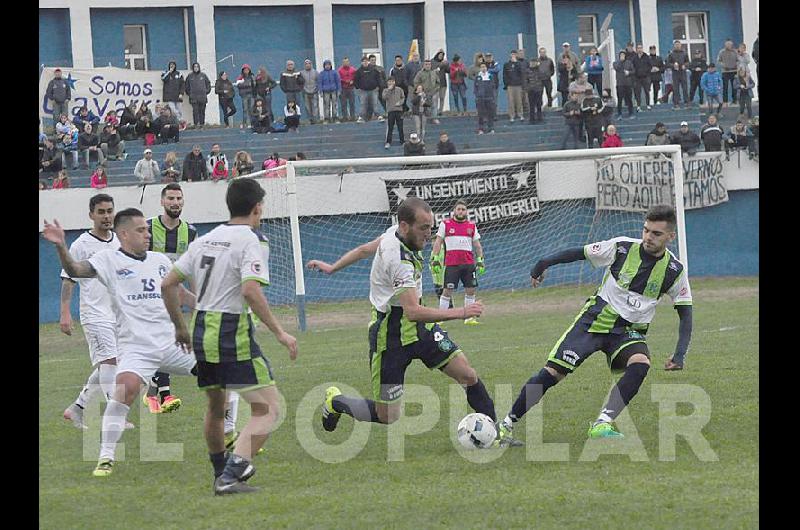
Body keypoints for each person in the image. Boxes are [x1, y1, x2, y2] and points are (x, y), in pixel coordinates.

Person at [495, 205, 693, 446]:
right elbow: (580, 253)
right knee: (554, 373)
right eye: (646, 230)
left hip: (628, 332)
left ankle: (603, 423)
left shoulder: (675, 270)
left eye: (656, 234)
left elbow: (685, 313)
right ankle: (505, 426)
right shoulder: (622, 247)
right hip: (595, 321)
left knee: (640, 363)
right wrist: (543, 263)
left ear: (671, 236)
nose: (648, 237)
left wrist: (680, 353)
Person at [306, 197, 500, 441]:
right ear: (405, 226)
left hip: (421, 328)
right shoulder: (399, 260)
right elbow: (412, 311)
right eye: (423, 228)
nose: (428, 234)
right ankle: (336, 402)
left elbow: (364, 249)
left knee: (467, 375)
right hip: (390, 335)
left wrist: (333, 267)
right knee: (387, 415)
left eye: (430, 227)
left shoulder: (392, 234)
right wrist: (461, 312)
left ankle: (497, 434)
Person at [162, 177, 298, 495]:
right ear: (257, 207)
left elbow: (168, 283)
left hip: (200, 328)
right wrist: (279, 332)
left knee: (215, 405)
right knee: (269, 408)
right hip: (230, 329)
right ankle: (232, 475)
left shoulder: (205, 239)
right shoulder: (253, 239)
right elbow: (250, 290)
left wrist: (180, 327)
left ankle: (220, 472)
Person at [43, 208, 198, 478]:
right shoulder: (107, 260)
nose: (147, 234)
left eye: (147, 230)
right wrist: (60, 246)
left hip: (172, 343)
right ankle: (106, 458)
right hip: (136, 348)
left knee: (220, 371)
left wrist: (212, 309)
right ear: (124, 233)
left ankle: (231, 433)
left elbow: (181, 293)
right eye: (141, 230)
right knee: (124, 390)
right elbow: (74, 269)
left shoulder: (159, 260)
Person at [59, 194, 131, 431]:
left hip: (116, 314)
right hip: (94, 313)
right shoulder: (81, 244)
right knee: (110, 361)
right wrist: (65, 313)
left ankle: (77, 408)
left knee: (109, 364)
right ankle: (116, 415)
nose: (107, 216)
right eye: (101, 212)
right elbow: (68, 279)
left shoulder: (119, 241)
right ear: (91, 215)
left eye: (110, 211)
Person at [138, 182, 200, 414]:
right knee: (161, 339)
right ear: (162, 201)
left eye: (179, 198)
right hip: (149, 297)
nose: (175, 202)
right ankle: (164, 393)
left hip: (176, 297)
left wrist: (196, 301)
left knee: (166, 340)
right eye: (171, 198)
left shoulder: (190, 232)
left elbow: (192, 269)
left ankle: (153, 393)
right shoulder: (148, 228)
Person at [430, 198, 485, 325]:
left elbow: (477, 245)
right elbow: (438, 242)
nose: (461, 212)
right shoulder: (446, 224)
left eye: (463, 209)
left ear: (467, 212)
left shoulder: (471, 226)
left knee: (470, 289)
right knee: (447, 291)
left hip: (468, 264)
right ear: (454, 211)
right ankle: (440, 318)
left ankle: (469, 318)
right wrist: (436, 258)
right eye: (458, 209)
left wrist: (480, 260)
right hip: (452, 264)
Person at [354, 56, 382, 123]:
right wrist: (358, 88)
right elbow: (355, 80)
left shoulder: (374, 70)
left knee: (375, 103)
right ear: (361, 63)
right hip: (363, 91)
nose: (365, 63)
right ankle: (361, 117)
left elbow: (378, 78)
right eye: (363, 61)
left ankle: (378, 116)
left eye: (366, 61)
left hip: (373, 90)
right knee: (363, 104)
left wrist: (378, 86)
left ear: (368, 62)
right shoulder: (358, 71)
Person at [184, 62, 212, 129]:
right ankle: (196, 124)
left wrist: (206, 91)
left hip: (202, 97)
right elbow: (186, 86)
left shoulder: (203, 75)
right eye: (194, 67)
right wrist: (190, 93)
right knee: (195, 111)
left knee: (202, 111)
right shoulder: (190, 76)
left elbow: (208, 84)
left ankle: (202, 124)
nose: (196, 68)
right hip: (193, 97)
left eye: (197, 67)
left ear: (199, 67)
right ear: (193, 68)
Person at [413, 58, 440, 125]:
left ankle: (434, 118)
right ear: (424, 65)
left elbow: (438, 82)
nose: (428, 66)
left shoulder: (433, 73)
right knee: (426, 106)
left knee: (434, 105)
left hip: (433, 92)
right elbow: (416, 82)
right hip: (424, 93)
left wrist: (436, 89)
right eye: (426, 64)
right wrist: (420, 89)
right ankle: (426, 118)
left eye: (429, 64)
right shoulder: (420, 73)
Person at [161, 61, 186, 128]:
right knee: (173, 110)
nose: (172, 66)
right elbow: (163, 79)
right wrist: (169, 72)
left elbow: (182, 84)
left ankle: (180, 124)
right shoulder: (165, 72)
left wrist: (181, 93)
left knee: (179, 110)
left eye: (173, 65)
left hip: (177, 96)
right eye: (171, 65)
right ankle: (180, 121)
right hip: (169, 96)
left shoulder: (179, 74)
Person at [383, 77, 406, 149]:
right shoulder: (385, 90)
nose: (390, 83)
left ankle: (402, 141)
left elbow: (403, 97)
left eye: (392, 81)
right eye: (389, 82)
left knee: (400, 127)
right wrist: (389, 90)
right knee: (390, 127)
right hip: (390, 111)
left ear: (394, 82)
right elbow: (384, 98)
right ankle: (388, 142)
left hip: (399, 111)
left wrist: (400, 102)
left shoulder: (399, 89)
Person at [474, 62, 496, 134]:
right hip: (480, 98)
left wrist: (492, 96)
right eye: (482, 67)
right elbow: (475, 88)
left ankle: (491, 128)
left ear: (486, 68)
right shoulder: (477, 77)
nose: (483, 68)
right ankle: (481, 129)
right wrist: (477, 96)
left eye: (484, 67)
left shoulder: (490, 76)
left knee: (490, 114)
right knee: (481, 114)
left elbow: (493, 87)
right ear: (480, 68)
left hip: (489, 97)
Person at [503, 50, 525, 122]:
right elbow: (505, 75)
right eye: (512, 54)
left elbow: (521, 73)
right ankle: (512, 115)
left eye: (514, 54)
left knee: (519, 100)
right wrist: (506, 84)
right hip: (510, 85)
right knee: (511, 101)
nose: (513, 56)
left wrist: (516, 62)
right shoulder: (506, 64)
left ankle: (520, 114)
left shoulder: (519, 64)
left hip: (518, 85)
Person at [667, 41, 689, 108]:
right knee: (675, 88)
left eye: (678, 45)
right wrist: (673, 65)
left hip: (682, 73)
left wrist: (685, 65)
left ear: (680, 45)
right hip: (675, 73)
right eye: (676, 45)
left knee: (685, 88)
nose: (677, 46)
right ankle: (676, 103)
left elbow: (688, 62)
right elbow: (667, 63)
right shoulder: (671, 54)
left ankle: (686, 102)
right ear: (674, 46)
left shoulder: (684, 53)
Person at [523, 57, 546, 123]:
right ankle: (532, 119)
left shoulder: (539, 70)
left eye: (534, 62)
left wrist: (541, 88)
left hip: (538, 90)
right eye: (531, 63)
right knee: (531, 105)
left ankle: (540, 118)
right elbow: (525, 80)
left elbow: (542, 78)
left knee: (539, 104)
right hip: (531, 90)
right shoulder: (527, 71)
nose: (532, 64)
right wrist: (527, 88)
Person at [613, 51, 635, 119]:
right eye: (621, 55)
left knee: (629, 99)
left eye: (623, 55)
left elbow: (633, 71)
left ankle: (631, 113)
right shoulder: (616, 63)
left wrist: (629, 72)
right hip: (620, 83)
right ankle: (619, 114)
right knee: (620, 99)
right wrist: (620, 61)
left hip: (628, 83)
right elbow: (617, 68)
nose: (622, 56)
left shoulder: (629, 62)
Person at [716, 40, 739, 105]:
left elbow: (738, 60)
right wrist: (723, 65)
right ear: (725, 45)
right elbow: (718, 61)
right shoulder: (721, 52)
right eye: (727, 44)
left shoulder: (735, 52)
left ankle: (735, 100)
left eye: (730, 44)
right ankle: (725, 101)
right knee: (725, 86)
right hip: (725, 71)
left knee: (734, 86)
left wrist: (736, 64)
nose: (729, 46)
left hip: (734, 71)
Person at [631, 44, 652, 111]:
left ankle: (648, 105)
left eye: (641, 48)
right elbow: (632, 67)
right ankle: (638, 106)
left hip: (645, 77)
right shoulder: (634, 58)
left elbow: (650, 66)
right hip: (637, 78)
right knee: (637, 92)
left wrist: (646, 72)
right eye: (638, 48)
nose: (639, 49)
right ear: (636, 49)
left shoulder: (646, 57)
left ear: (642, 49)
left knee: (647, 91)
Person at [235, 64, 257, 129]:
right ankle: (245, 123)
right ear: (243, 70)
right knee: (245, 109)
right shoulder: (240, 77)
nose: (246, 71)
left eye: (247, 69)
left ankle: (252, 123)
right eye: (245, 69)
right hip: (244, 95)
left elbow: (254, 85)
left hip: (251, 94)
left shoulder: (252, 76)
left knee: (251, 109)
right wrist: (247, 84)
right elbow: (238, 85)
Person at [431, 49, 449, 123]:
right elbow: (433, 70)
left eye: (442, 55)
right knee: (435, 99)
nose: (441, 56)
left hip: (443, 83)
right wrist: (440, 65)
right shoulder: (432, 62)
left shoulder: (444, 63)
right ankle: (434, 113)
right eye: (440, 55)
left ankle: (440, 110)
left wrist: (447, 65)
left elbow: (448, 71)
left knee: (442, 97)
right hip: (435, 83)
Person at [300, 59, 320, 124]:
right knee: (307, 107)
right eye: (306, 64)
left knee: (315, 106)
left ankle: (315, 119)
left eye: (309, 64)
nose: (307, 65)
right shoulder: (301, 73)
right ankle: (310, 119)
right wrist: (302, 89)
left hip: (314, 91)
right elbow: (300, 82)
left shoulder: (315, 72)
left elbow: (319, 81)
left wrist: (317, 89)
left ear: (311, 64)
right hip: (305, 92)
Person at [338, 57, 357, 122]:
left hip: (351, 88)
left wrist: (353, 81)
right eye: (344, 62)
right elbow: (338, 79)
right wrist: (345, 81)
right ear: (342, 63)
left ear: (349, 62)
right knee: (343, 104)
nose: (346, 63)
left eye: (347, 61)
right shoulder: (340, 70)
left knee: (352, 103)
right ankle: (345, 117)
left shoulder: (353, 70)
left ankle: (353, 117)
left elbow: (356, 78)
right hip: (343, 89)